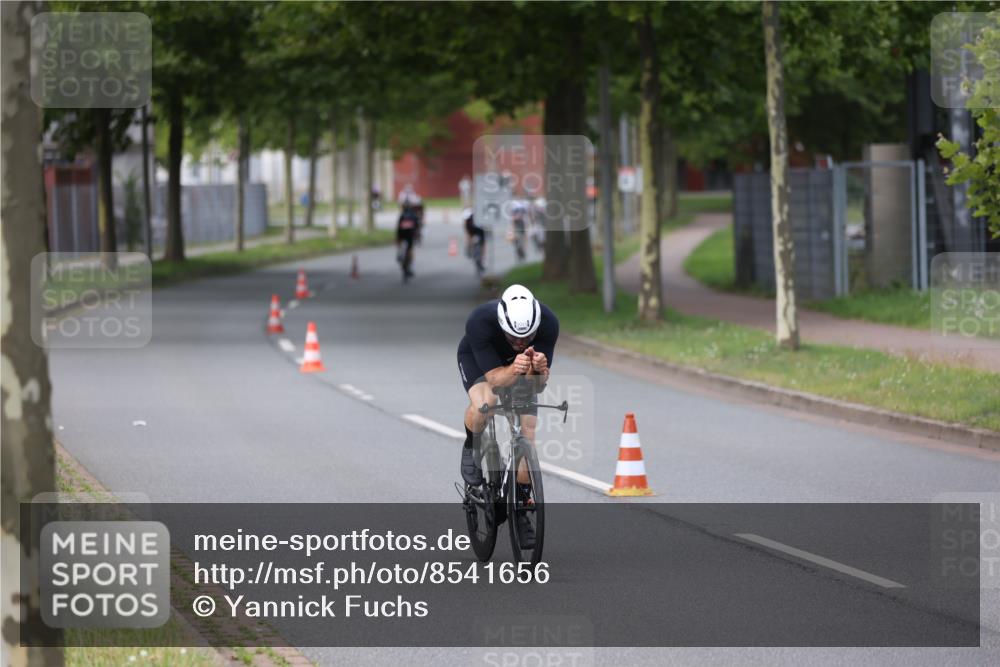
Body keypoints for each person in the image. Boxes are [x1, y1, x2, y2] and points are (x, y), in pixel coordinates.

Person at [456, 285, 559, 547]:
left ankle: (523, 510)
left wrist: (539, 371)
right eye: (514, 339)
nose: (521, 344)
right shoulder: (480, 321)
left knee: (528, 430)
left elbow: (535, 386)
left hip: (519, 369)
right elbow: (496, 380)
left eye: (527, 338)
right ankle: (472, 446)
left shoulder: (549, 324)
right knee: (486, 403)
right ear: (503, 325)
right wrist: (515, 365)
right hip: (481, 361)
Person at [396, 203, 421, 281]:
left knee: (401, 248)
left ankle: (400, 258)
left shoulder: (402, 215)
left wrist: (397, 238)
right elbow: (417, 228)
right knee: (410, 250)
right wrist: (418, 237)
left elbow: (398, 227)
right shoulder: (414, 215)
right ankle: (408, 265)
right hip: (410, 235)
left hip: (402, 234)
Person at [462, 208, 486, 274]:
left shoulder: (478, 216)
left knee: (483, 243)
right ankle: (470, 249)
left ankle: (481, 259)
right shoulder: (468, 219)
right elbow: (467, 231)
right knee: (470, 239)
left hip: (479, 230)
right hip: (472, 230)